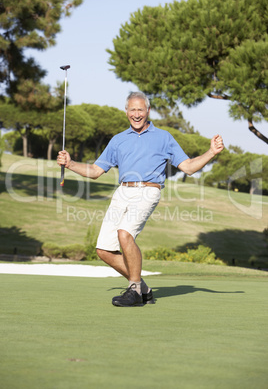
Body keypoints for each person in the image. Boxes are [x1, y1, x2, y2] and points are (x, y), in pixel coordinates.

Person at [57, 91, 224, 307]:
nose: (136, 114)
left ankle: (134, 291)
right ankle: (143, 289)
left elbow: (189, 168)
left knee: (125, 234)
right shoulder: (118, 140)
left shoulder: (164, 137)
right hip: (122, 192)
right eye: (132, 109)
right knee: (103, 250)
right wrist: (70, 164)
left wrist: (211, 152)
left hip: (148, 190)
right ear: (126, 111)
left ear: (148, 111)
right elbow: (96, 170)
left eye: (140, 109)